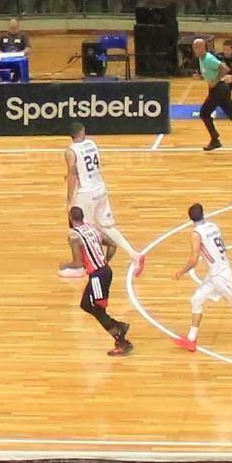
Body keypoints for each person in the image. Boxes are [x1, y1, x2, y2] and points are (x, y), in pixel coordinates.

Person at [177, 200, 232, 355]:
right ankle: (191, 339)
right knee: (196, 299)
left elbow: (194, 260)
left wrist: (180, 272)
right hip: (216, 272)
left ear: (190, 219)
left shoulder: (196, 234)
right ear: (203, 213)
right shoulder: (214, 227)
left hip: (221, 275)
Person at [65, 129, 142, 279]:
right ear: (82, 132)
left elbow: (73, 173)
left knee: (81, 231)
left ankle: (82, 266)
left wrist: (69, 200)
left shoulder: (70, 151)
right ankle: (134, 255)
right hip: (100, 188)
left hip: (86, 193)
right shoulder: (92, 144)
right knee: (106, 226)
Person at [72, 206, 134, 356]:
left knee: (98, 311)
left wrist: (63, 266)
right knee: (86, 304)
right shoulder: (92, 228)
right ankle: (119, 326)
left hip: (98, 275)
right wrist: (104, 261)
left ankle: (121, 339)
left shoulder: (74, 236)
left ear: (70, 218)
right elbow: (113, 245)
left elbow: (77, 263)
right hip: (103, 272)